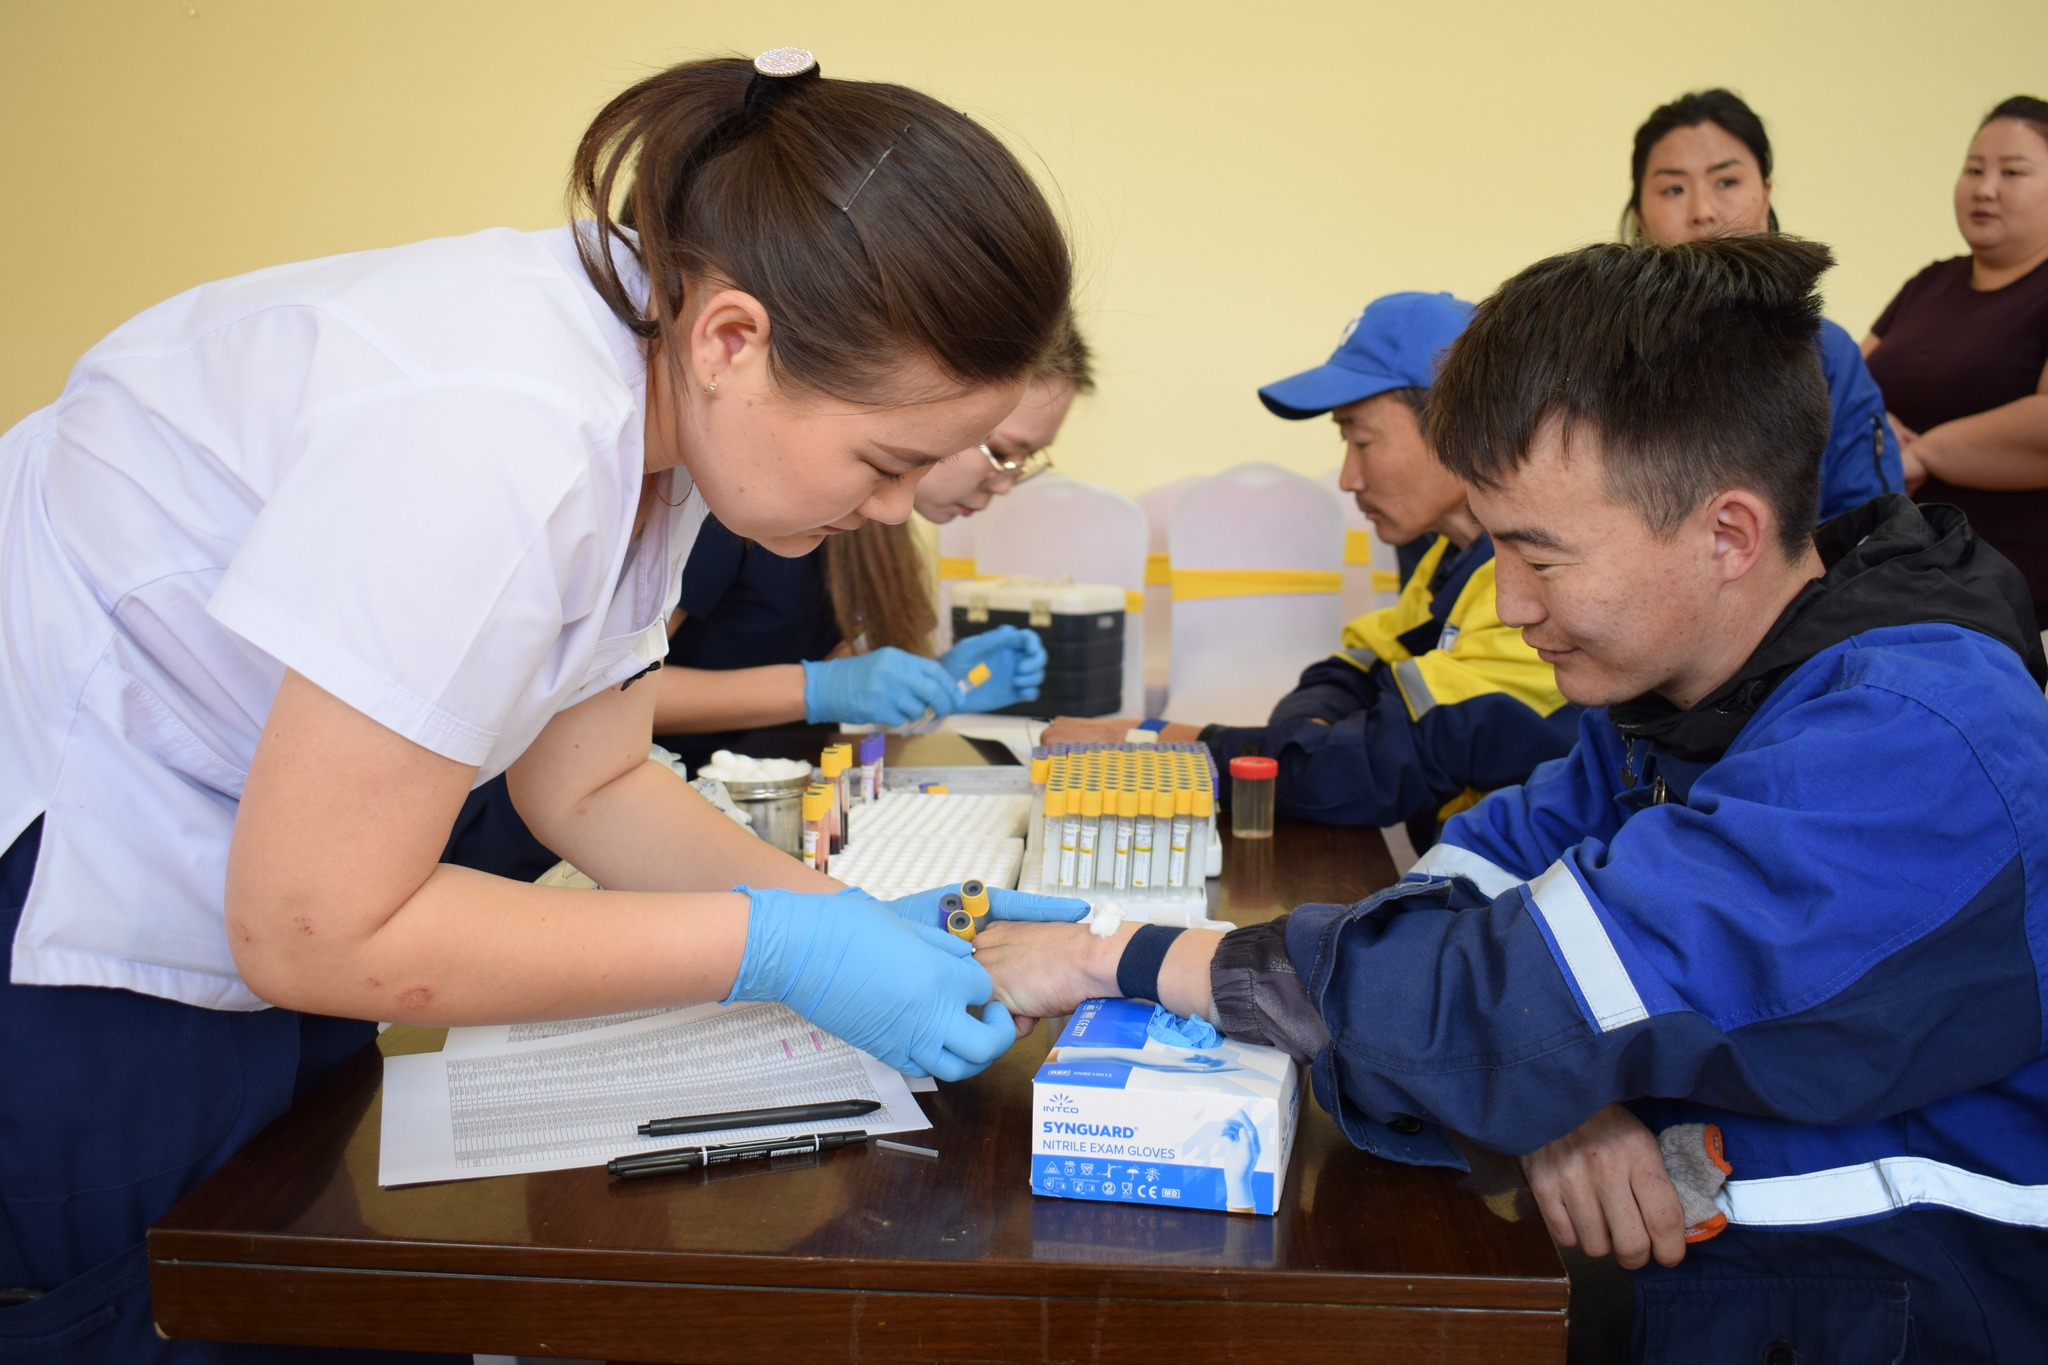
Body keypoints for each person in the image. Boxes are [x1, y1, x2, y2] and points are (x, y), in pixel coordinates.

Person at [0, 51, 1089, 1362]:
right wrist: (777, 952)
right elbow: (313, 929)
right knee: (189, 1304)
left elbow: (587, 781)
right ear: (736, 336)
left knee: (330, 1274)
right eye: (886, 460)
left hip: (230, 837)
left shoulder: (658, 403)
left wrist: (839, 921)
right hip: (69, 851)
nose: (896, 507)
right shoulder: (497, 431)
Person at [978, 235, 2048, 1360]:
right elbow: (1477, 899)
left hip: (1888, 1318)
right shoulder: (1682, 697)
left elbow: (1496, 1003)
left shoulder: (1913, 744)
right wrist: (1549, 1091)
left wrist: (1115, 953)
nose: (1510, 602)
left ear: (1725, 533)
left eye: (1542, 557)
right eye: (1494, 549)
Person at [1046, 293, 1579, 850]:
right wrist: (1304, 738)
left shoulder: (1531, 589)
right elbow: (1350, 668)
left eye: (1363, 440)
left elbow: (1373, 765)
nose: (1348, 478)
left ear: (1459, 429)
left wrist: (1149, 740)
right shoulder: (1450, 565)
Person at [1625, 88, 1902, 521]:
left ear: (1766, 194)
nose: (1703, 211)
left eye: (1727, 182)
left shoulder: (1829, 353)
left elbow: (1870, 528)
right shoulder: (1598, 351)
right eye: (1673, 188)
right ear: (1640, 214)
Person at [1865, 95, 2048, 625]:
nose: (1984, 187)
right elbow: (1837, 385)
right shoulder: (1929, 282)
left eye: (2012, 172)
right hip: (1892, 585)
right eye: (1974, 169)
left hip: (2013, 608)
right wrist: (1877, 425)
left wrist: (1925, 455)